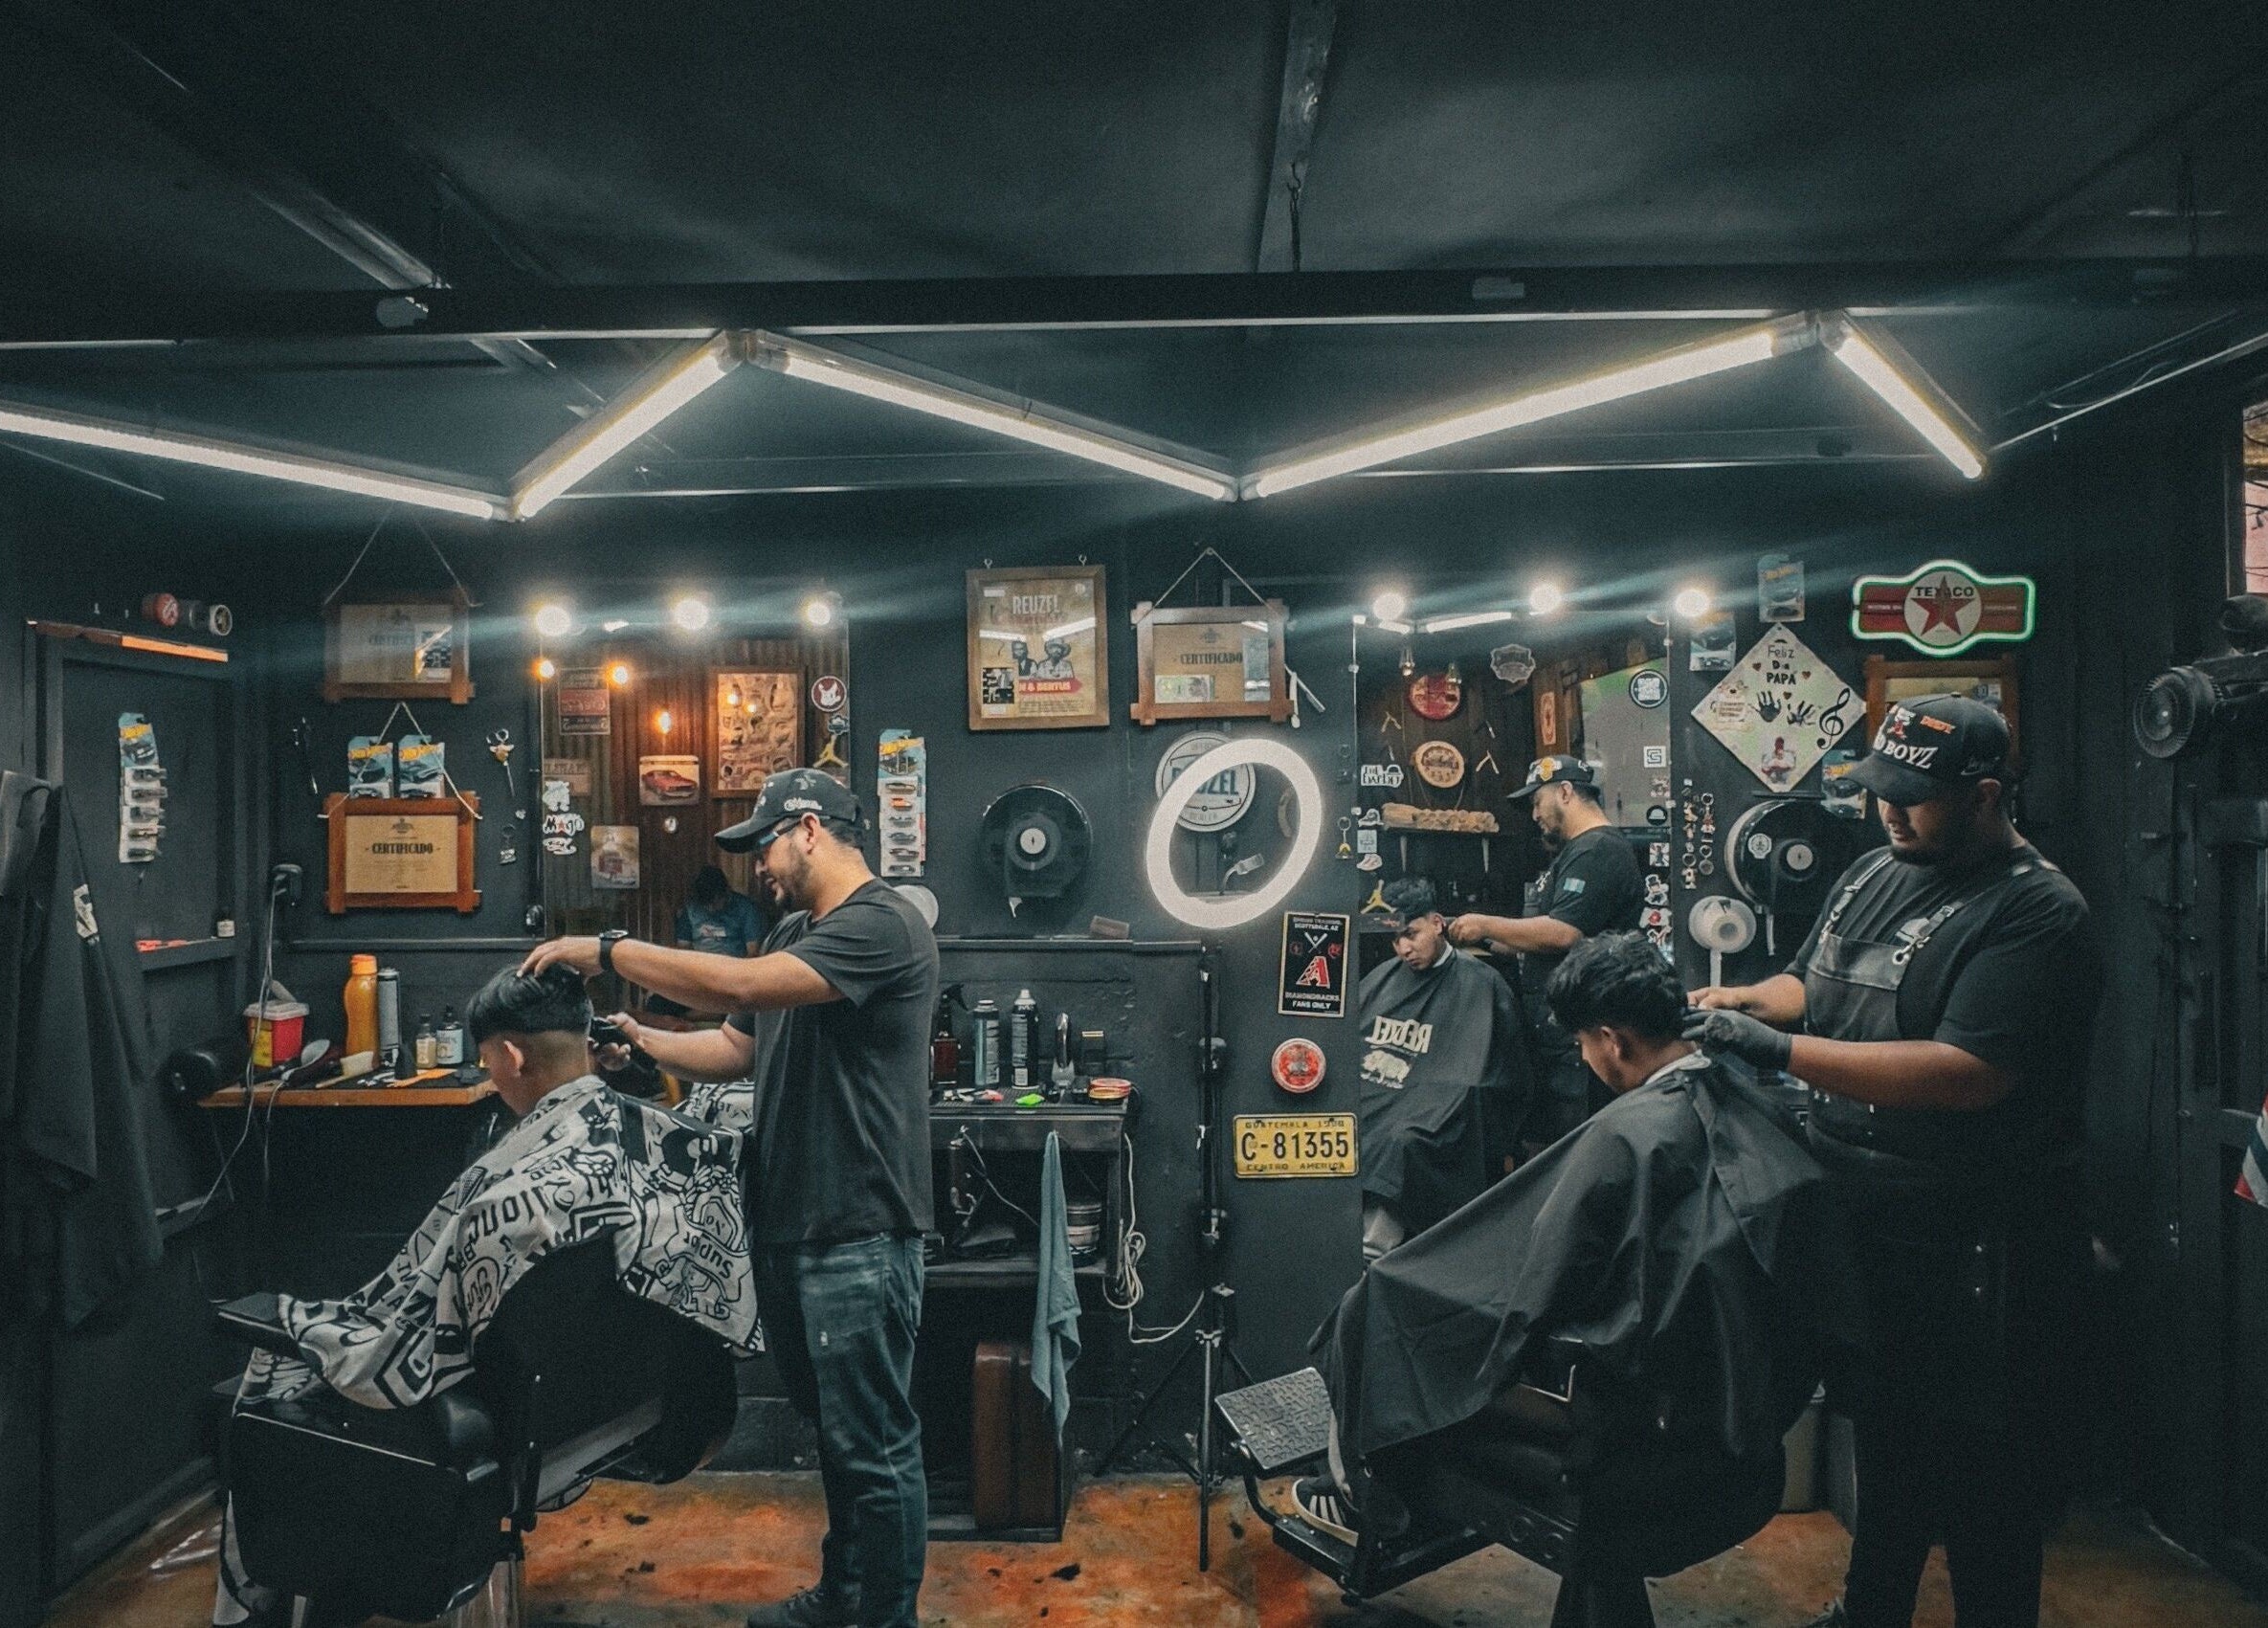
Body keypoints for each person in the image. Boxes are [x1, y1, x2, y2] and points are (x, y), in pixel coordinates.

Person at [1686, 695, 2099, 1628]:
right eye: (1881, 793)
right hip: (1869, 1224)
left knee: (1985, 1490)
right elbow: (1814, 977)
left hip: (1980, 1253)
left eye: (1915, 798)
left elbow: (1966, 1073)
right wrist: (1754, 1004)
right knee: (1889, 1452)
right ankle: (1870, 1612)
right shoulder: (1873, 869)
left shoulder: (2036, 912)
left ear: (1986, 794)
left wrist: (1781, 1054)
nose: (1891, 812)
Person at [213, 963, 758, 1626]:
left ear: (511, 1054)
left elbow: (414, 1335)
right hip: (601, 1414)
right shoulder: (637, 1151)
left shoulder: (510, 1200)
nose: (491, 1077)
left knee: (281, 1370)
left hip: (498, 1432)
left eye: (487, 1061)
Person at [523, 769, 941, 1628]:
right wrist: (641, 1039)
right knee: (838, 1440)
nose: (762, 870)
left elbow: (742, 990)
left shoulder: (881, 925)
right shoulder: (796, 927)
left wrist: (604, 951)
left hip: (860, 1227)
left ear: (813, 828)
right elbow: (732, 1044)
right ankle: (846, 1594)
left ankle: (884, 1617)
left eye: (768, 847)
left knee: (876, 1448)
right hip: (793, 1220)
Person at [1295, 930, 1855, 1545]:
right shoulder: (1754, 1108)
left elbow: (1540, 1285)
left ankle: (1365, 1496)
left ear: (1613, 1042)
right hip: (1731, 1418)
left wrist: (1410, 1288)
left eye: (1584, 1043)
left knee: (1372, 1315)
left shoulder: (1627, 1136)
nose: (1587, 1058)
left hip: (1632, 1427)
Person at [1447, 756, 1643, 1148]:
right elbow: (1535, 938)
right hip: (1558, 1031)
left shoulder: (1597, 850)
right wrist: (1477, 937)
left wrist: (1485, 923)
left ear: (1566, 792)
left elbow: (1562, 934)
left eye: (1537, 801)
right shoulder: (1574, 853)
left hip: (1582, 1033)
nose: (1534, 814)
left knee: (1582, 1144)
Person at [1354, 877, 1531, 1261]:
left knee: (1399, 1142)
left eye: (1412, 934)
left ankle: (1372, 1252)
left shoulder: (1481, 983)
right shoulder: (1382, 980)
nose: (1404, 949)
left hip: (1440, 1106)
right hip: (1383, 1093)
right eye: (1396, 939)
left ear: (1437, 923)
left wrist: (1434, 1096)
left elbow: (1500, 1073)